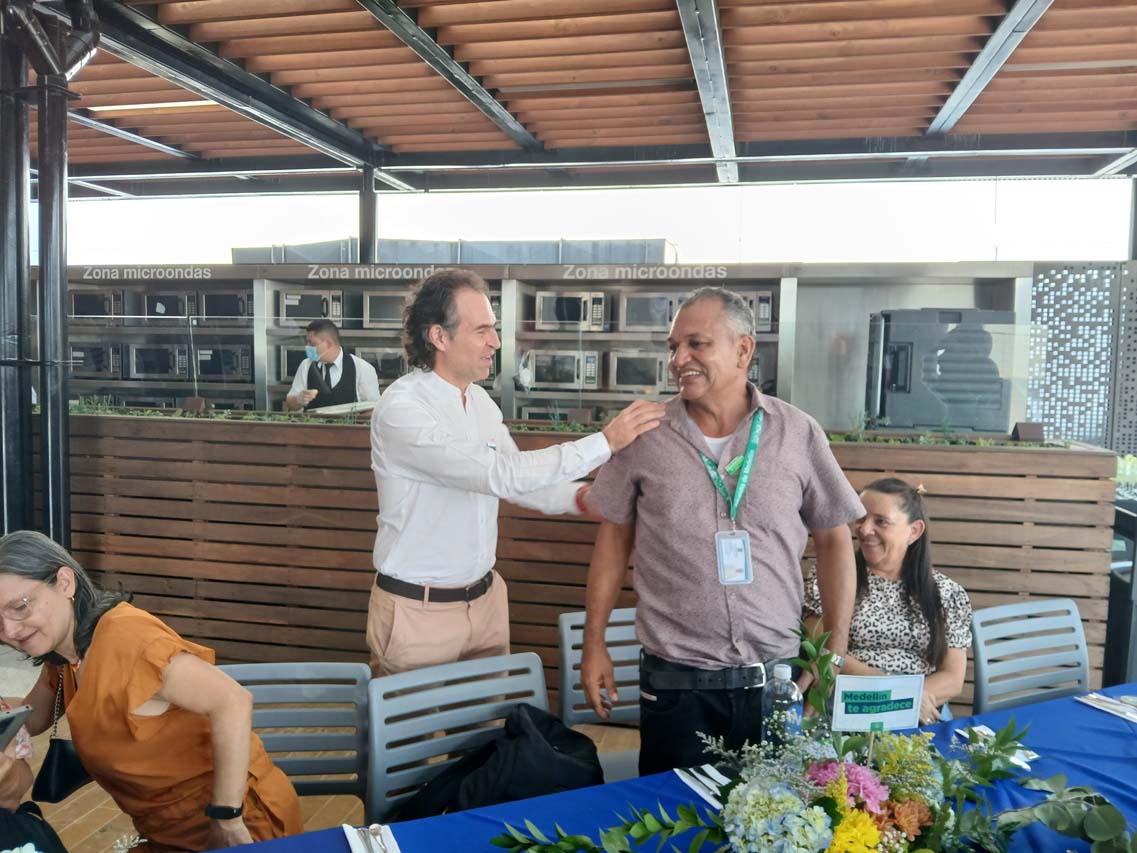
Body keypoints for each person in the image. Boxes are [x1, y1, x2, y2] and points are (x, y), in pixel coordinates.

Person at [581, 287, 864, 775]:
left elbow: (834, 538)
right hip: (675, 684)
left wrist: (832, 655)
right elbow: (612, 539)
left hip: (776, 680)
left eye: (697, 344)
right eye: (674, 347)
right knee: (675, 815)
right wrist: (594, 643)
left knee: (777, 812)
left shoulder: (796, 432)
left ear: (743, 350)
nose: (678, 359)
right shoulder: (644, 435)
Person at [368, 268, 665, 677]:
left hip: (486, 603)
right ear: (439, 337)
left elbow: (521, 484)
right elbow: (501, 475)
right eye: (482, 330)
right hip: (418, 612)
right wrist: (605, 442)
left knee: (491, 720)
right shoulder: (402, 409)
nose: (495, 341)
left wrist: (581, 498)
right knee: (416, 722)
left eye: (493, 329)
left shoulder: (481, 403)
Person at [0, 530, 303, 852]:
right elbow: (31, 718)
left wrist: (226, 818)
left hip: (238, 828)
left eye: (20, 607)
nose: (10, 630)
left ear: (64, 583)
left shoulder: (128, 639)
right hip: (166, 833)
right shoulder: (66, 656)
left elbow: (233, 701)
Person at [803, 477, 972, 725]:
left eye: (880, 521)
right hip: (849, 703)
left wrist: (911, 701)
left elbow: (953, 678)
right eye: (861, 518)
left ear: (914, 531)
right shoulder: (829, 577)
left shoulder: (947, 593)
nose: (864, 529)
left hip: (921, 707)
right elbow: (820, 647)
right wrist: (898, 695)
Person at [283, 319, 380, 411]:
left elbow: (374, 409)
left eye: (312, 344)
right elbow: (290, 403)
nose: (307, 347)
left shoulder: (362, 368)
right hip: (313, 423)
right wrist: (298, 400)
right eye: (306, 342)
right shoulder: (306, 365)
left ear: (328, 344)